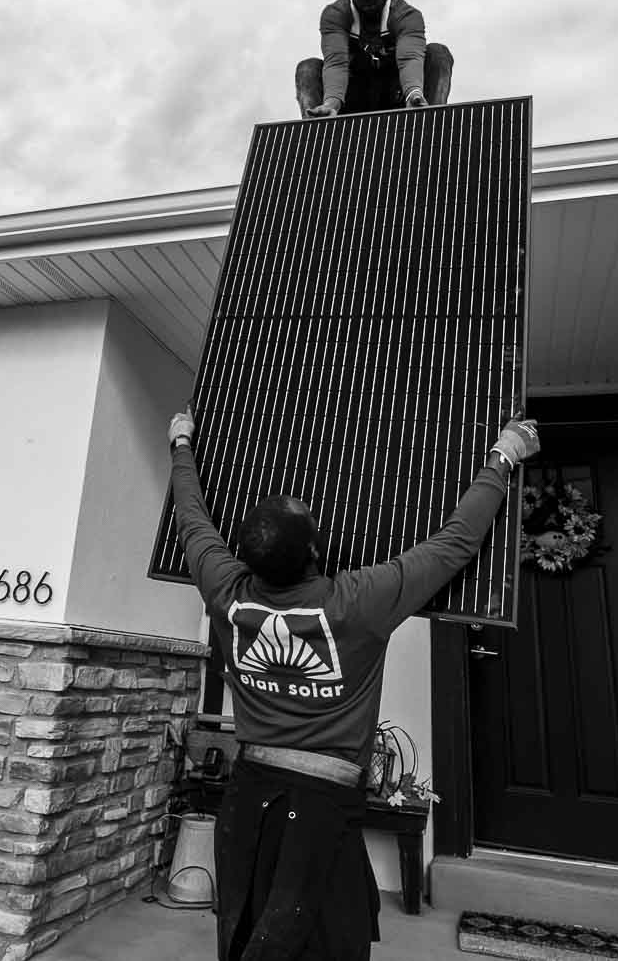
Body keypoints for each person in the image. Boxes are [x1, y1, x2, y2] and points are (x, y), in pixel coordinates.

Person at [165, 408, 540, 960]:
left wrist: (181, 444)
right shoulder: (358, 603)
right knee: (302, 943)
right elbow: (455, 542)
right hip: (319, 804)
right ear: (317, 553)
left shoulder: (224, 589)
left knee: (251, 930)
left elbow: (192, 518)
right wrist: (504, 454)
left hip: (248, 794)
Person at [295, 0, 454, 118]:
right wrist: (331, 103)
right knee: (307, 68)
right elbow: (336, 63)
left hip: (398, 97)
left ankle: (430, 124)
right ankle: (317, 134)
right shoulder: (335, 15)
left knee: (438, 53)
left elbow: (409, 59)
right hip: (352, 98)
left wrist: (414, 94)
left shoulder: (406, 16)